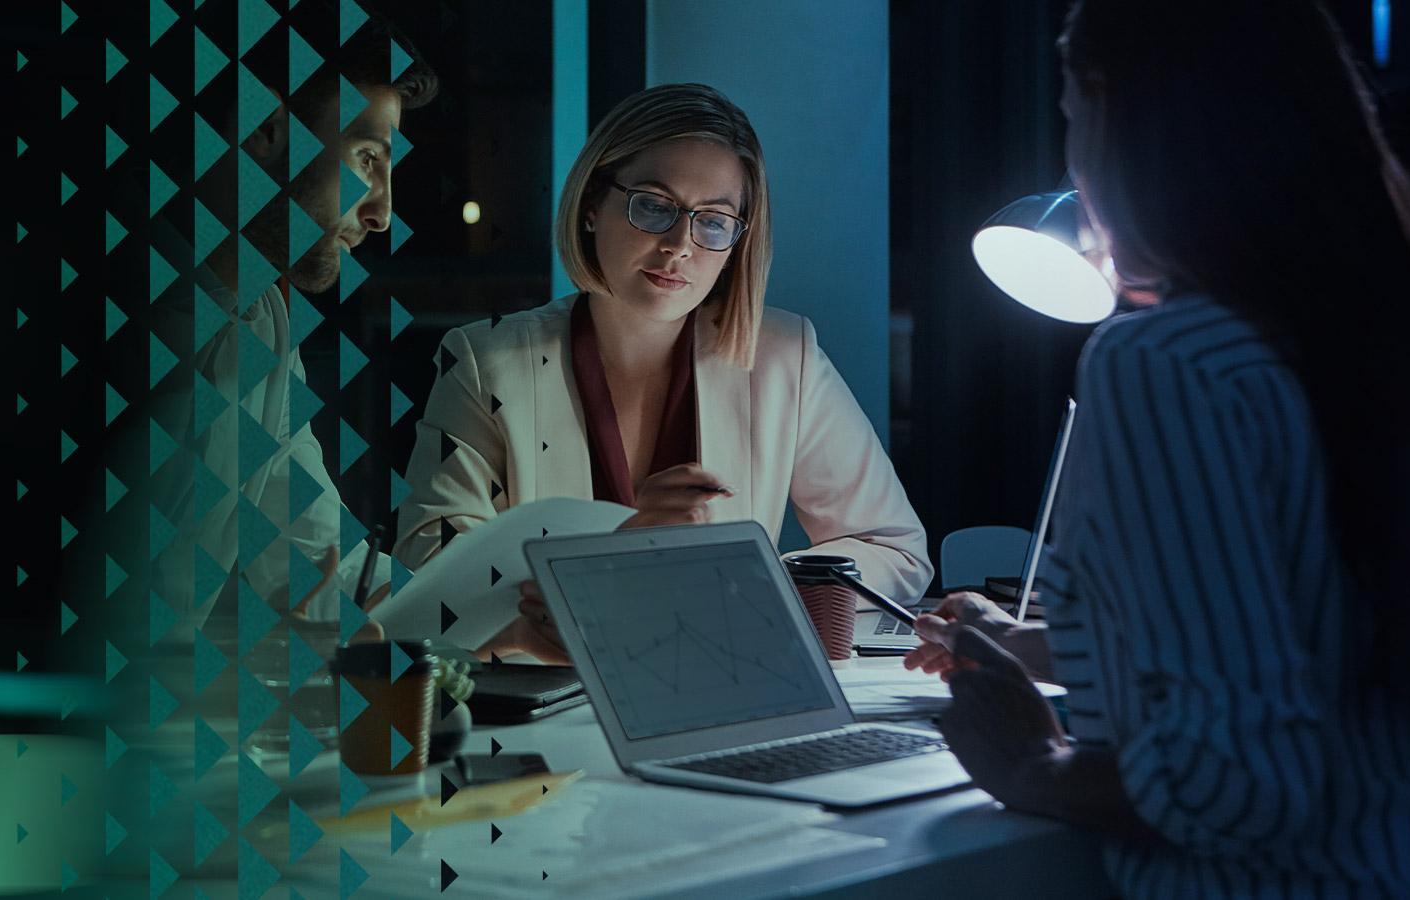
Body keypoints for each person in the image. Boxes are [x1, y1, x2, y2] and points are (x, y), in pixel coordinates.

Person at [907, 0, 1410, 896]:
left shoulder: (1167, 363)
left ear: (1115, 114)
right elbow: (1297, 627)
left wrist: (1031, 762)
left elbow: (1238, 781)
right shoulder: (1385, 327)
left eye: (1071, 118)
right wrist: (1035, 644)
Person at [393, 83, 932, 662]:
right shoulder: (484, 361)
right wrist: (608, 548)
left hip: (722, 692)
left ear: (737, 243)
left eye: (715, 221)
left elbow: (894, 550)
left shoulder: (783, 355)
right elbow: (427, 576)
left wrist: (743, 582)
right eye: (653, 205)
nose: (680, 246)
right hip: (546, 710)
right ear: (593, 204)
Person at [149, 12, 438, 633]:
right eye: (367, 159)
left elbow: (316, 558)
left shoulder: (265, 324)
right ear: (266, 127)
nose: (384, 212)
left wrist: (493, 611)